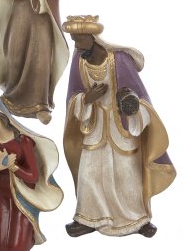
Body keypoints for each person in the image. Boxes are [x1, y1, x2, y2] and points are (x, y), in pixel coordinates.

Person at [62, 15, 176, 238]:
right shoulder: (79, 60)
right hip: (94, 127)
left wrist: (130, 105)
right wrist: (86, 100)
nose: (77, 46)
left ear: (93, 38)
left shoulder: (119, 59)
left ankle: (137, 218)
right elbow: (72, 96)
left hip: (122, 128)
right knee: (89, 173)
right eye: (74, 40)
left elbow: (141, 96)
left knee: (126, 173)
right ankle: (88, 217)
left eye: (79, 40)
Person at [0, 95, 63, 251]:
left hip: (21, 197)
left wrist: (12, 166)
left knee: (18, 248)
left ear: (0, 115)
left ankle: (28, 236)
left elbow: (33, 176)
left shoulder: (23, 141)